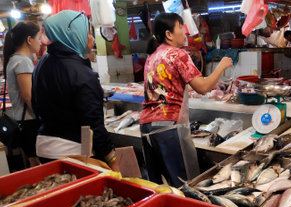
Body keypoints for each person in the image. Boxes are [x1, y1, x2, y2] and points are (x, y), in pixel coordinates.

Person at [141, 13, 232, 187]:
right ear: (169, 34)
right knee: (185, 184)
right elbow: (203, 88)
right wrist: (220, 66)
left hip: (146, 127)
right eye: (180, 28)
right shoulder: (178, 54)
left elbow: (167, 89)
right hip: (168, 127)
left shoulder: (152, 57)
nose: (185, 33)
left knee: (158, 184)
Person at [32, 10, 119, 171]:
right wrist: (110, 158)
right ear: (74, 35)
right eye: (88, 34)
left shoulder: (42, 64)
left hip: (44, 146)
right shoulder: (81, 72)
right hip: (72, 151)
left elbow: (35, 105)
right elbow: (92, 124)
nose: (92, 39)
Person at [3, 22, 41, 168]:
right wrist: (44, 116)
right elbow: (28, 96)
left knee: (33, 162)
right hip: (30, 121)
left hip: (23, 121)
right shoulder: (22, 61)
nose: (40, 42)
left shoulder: (14, 59)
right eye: (38, 38)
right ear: (29, 40)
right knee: (37, 165)